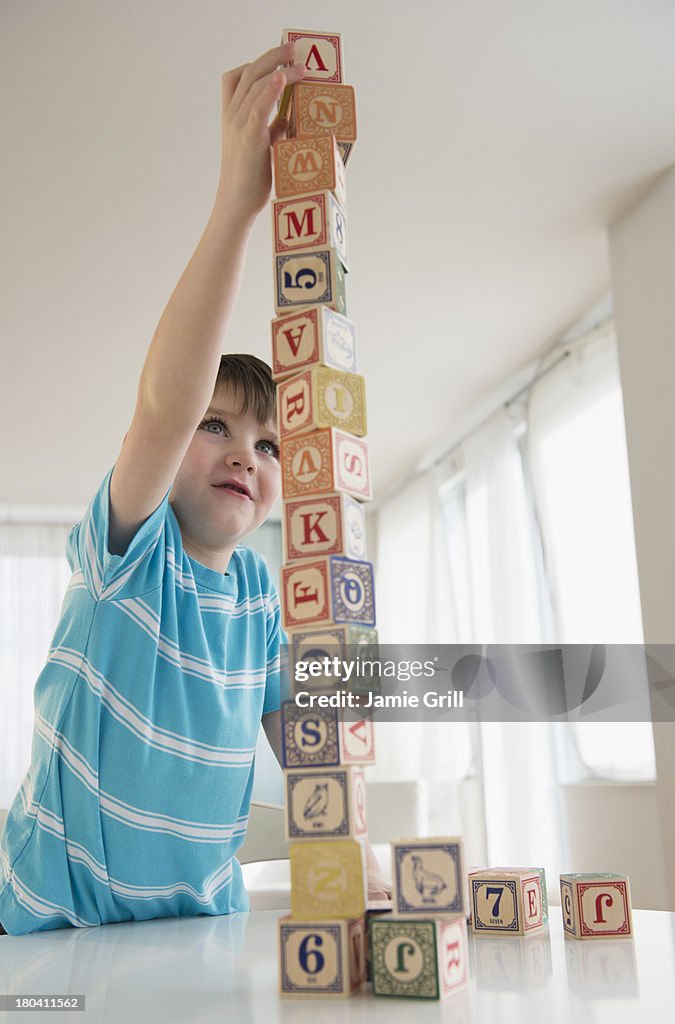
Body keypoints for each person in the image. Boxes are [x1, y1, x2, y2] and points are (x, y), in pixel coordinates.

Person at [0, 42, 388, 936]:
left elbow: (308, 747)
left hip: (195, 917)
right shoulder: (131, 551)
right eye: (215, 427)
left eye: (269, 444)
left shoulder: (262, 596)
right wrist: (236, 209)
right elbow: (162, 404)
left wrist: (353, 855)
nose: (244, 455)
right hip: (61, 921)